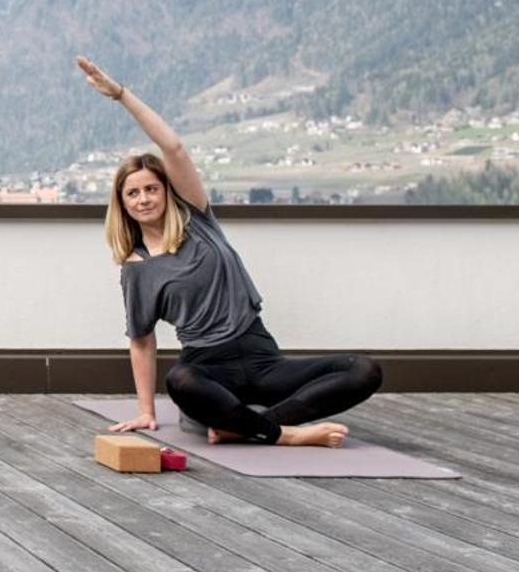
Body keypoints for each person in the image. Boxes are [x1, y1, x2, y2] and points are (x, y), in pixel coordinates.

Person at [78, 56, 382, 447]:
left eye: (151, 188)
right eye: (132, 193)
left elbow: (174, 147)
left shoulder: (198, 220)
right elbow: (142, 340)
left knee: (364, 370)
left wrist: (120, 95)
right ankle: (284, 435)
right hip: (207, 369)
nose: (143, 199)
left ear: (166, 192)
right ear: (122, 204)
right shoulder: (137, 267)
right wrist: (146, 411)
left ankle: (249, 426)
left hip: (261, 357)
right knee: (179, 381)